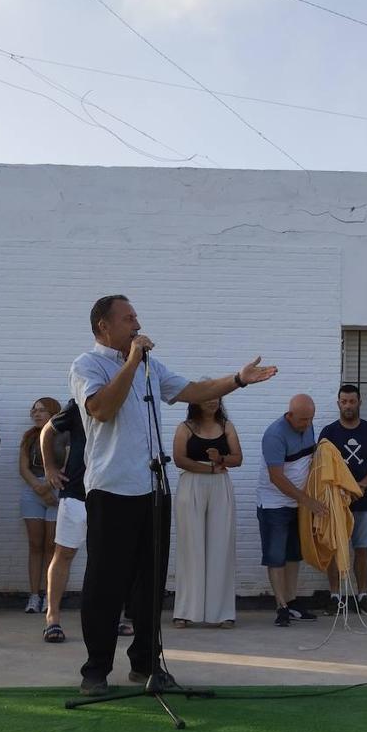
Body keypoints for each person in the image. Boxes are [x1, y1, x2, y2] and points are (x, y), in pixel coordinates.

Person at [69, 293, 276, 697]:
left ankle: (145, 665)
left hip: (152, 488)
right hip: (111, 489)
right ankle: (95, 671)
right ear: (104, 327)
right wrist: (130, 361)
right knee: (106, 583)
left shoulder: (150, 366)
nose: (137, 324)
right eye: (129, 318)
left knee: (150, 584)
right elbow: (101, 410)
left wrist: (237, 380)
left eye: (136, 317)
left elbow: (192, 390)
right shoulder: (86, 365)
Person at [40, 398, 131, 642]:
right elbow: (48, 431)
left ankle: (112, 618)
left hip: (114, 493)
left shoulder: (130, 400)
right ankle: (53, 618)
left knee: (111, 560)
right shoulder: (80, 402)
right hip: (76, 493)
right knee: (64, 554)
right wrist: (49, 467)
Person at [171, 396, 242, 629]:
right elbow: (179, 459)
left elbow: (237, 458)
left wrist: (220, 459)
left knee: (220, 546)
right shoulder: (185, 427)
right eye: (207, 398)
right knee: (191, 547)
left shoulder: (227, 427)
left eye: (217, 399)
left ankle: (222, 613)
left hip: (220, 486)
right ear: (197, 401)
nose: (213, 402)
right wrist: (209, 468)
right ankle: (185, 611)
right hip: (192, 484)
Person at [258, 394, 327, 628]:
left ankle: (292, 600)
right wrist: (307, 500)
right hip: (275, 504)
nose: (306, 425)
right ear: (289, 415)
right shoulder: (274, 435)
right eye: (302, 420)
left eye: (310, 420)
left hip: (299, 504)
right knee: (276, 555)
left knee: (294, 554)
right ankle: (281, 606)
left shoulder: (307, 424)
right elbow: (276, 477)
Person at [318, 384, 367, 616]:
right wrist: (339, 491)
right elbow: (321, 466)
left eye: (352, 401)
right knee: (335, 548)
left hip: (364, 501)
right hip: (336, 501)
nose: (348, 405)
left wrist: (362, 485)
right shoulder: (328, 432)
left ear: (359, 403)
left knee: (362, 549)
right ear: (338, 403)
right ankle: (335, 596)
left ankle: (363, 596)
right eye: (344, 401)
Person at [20, 397, 61, 614]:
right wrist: (39, 487)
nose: (36, 414)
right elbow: (23, 468)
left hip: (56, 492)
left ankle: (49, 595)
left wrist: (48, 488)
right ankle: (33, 596)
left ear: (53, 413)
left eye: (42, 410)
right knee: (35, 545)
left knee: (51, 546)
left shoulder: (64, 435)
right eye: (34, 410)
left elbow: (66, 466)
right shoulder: (29, 437)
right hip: (33, 493)